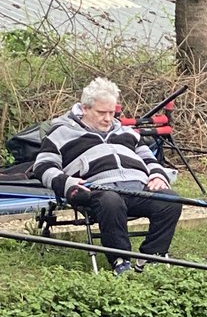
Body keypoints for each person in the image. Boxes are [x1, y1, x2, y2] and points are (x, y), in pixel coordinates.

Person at [32, 77, 183, 275]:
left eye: (112, 112)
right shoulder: (61, 131)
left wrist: (157, 176)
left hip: (138, 187)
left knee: (171, 201)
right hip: (96, 190)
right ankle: (120, 260)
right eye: (102, 113)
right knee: (111, 201)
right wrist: (68, 183)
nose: (108, 118)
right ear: (85, 109)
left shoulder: (127, 132)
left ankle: (151, 257)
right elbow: (42, 166)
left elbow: (150, 159)